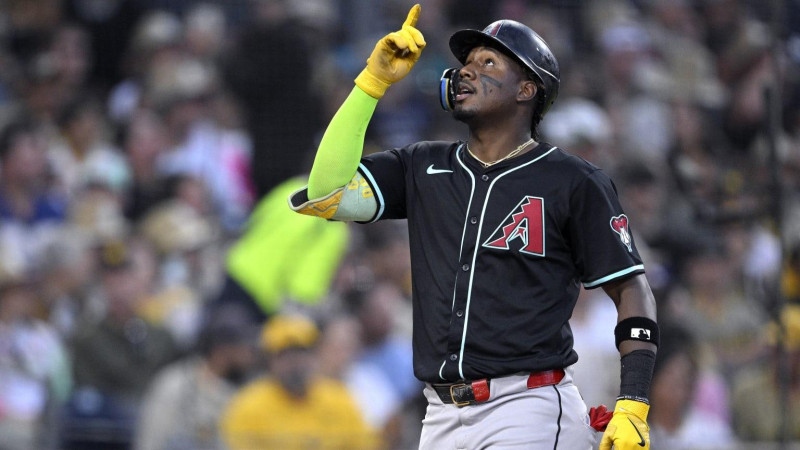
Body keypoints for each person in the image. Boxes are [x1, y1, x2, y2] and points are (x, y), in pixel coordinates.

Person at [289, 5, 659, 449]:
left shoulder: (573, 180)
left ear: (527, 89)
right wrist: (372, 84)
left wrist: (633, 400)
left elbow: (631, 287)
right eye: (466, 62)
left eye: (488, 63)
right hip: (441, 414)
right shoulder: (422, 165)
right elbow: (327, 192)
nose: (466, 71)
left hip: (527, 405)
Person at [219, 314, 378, 449]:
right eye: (285, 355)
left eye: (302, 352)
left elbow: (366, 444)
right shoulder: (248, 406)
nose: (295, 363)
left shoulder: (339, 399)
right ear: (270, 362)